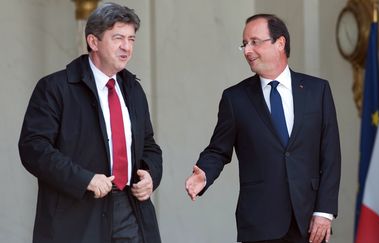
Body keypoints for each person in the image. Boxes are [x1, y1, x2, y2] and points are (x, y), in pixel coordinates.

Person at [185, 14, 341, 243]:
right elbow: (219, 150)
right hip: (259, 223)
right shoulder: (235, 98)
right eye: (244, 44)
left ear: (280, 43)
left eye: (254, 42)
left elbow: (331, 155)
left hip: (309, 221)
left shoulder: (317, 91)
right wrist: (204, 174)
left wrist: (324, 211)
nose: (247, 50)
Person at [18, 3, 162, 243]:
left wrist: (150, 175)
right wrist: (84, 179)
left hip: (129, 207)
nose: (126, 47)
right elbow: (34, 149)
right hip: (74, 213)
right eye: (118, 38)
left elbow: (149, 145)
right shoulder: (55, 88)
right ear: (93, 42)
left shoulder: (133, 89)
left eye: (131, 39)